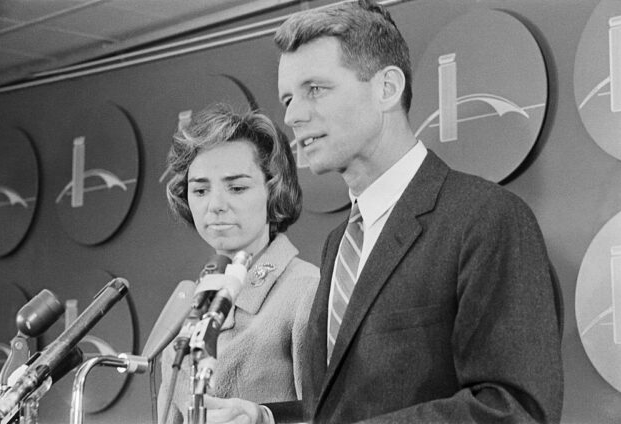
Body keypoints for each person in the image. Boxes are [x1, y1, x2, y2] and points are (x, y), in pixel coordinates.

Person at [202, 1, 564, 423]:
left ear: (387, 88)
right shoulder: (339, 243)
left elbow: (515, 409)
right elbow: (346, 405)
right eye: (287, 98)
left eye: (315, 89)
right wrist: (264, 417)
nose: (292, 115)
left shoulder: (487, 219)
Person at [158, 104, 320, 423]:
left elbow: (330, 413)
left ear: (274, 189)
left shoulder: (307, 290)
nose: (216, 205)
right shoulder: (191, 301)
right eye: (201, 189)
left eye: (236, 187)